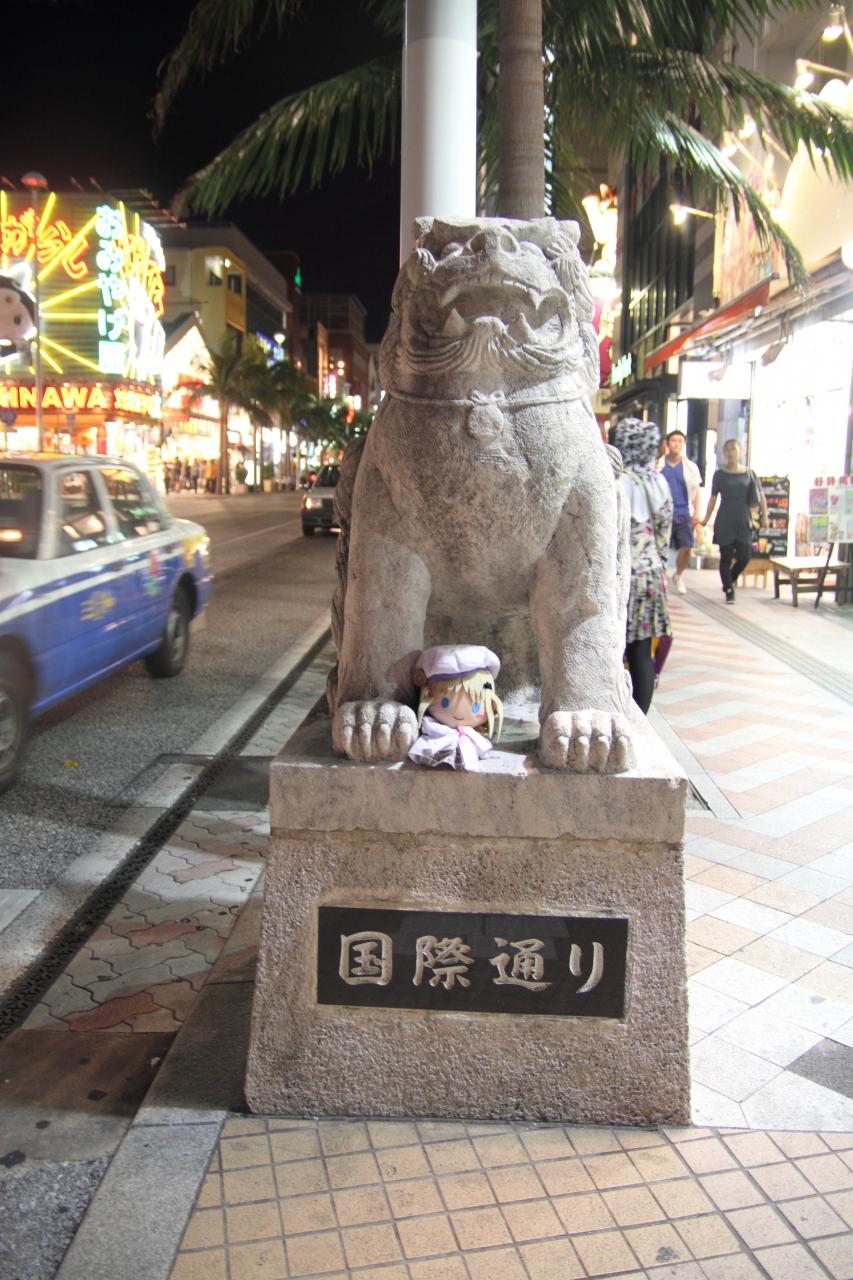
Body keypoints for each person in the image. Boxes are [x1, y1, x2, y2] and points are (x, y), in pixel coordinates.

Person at [611, 418, 673, 715]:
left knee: (612, 647)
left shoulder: (614, 480)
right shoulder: (658, 481)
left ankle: (616, 711)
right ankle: (641, 718)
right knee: (641, 650)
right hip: (650, 575)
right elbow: (664, 533)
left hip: (618, 575)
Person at [700, 438, 767, 604]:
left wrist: (765, 516)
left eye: (733, 449)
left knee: (744, 557)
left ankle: (728, 580)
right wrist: (706, 518)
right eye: (727, 449)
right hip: (725, 520)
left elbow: (761, 496)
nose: (730, 453)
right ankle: (729, 590)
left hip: (743, 520)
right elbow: (713, 498)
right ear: (724, 453)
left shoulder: (750, 474)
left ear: (741, 452)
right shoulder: (719, 475)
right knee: (726, 557)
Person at [656, 430, 701, 594]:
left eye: (680, 441)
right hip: (662, 513)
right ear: (667, 443)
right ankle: (662, 577)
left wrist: (697, 512)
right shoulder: (658, 465)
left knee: (687, 547)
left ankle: (678, 575)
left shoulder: (690, 467)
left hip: (683, 512)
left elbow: (696, 491)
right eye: (673, 440)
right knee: (661, 548)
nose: (676, 444)